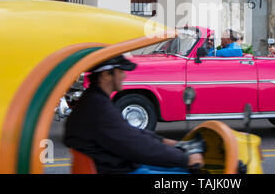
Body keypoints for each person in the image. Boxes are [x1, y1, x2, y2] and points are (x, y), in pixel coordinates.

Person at [63, 55, 204, 174]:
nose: (124, 76)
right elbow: (137, 146)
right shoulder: (98, 107)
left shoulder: (92, 100)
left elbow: (128, 133)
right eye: (120, 71)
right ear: (106, 75)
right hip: (117, 169)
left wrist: (165, 142)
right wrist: (186, 159)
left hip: (114, 164)